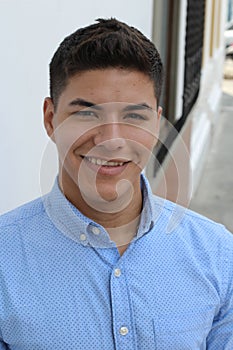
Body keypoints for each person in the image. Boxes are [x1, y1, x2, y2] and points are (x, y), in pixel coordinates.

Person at [0, 18, 232, 350]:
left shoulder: (219, 257)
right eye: (87, 114)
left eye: (135, 116)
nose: (111, 140)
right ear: (51, 119)